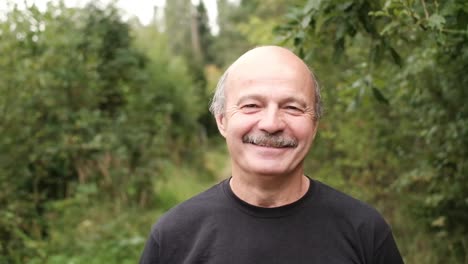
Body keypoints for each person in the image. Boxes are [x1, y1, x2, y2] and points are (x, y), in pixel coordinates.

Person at [139, 46, 404, 264]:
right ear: (221, 120)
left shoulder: (365, 232)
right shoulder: (174, 237)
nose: (271, 123)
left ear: (314, 126)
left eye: (292, 107)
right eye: (252, 105)